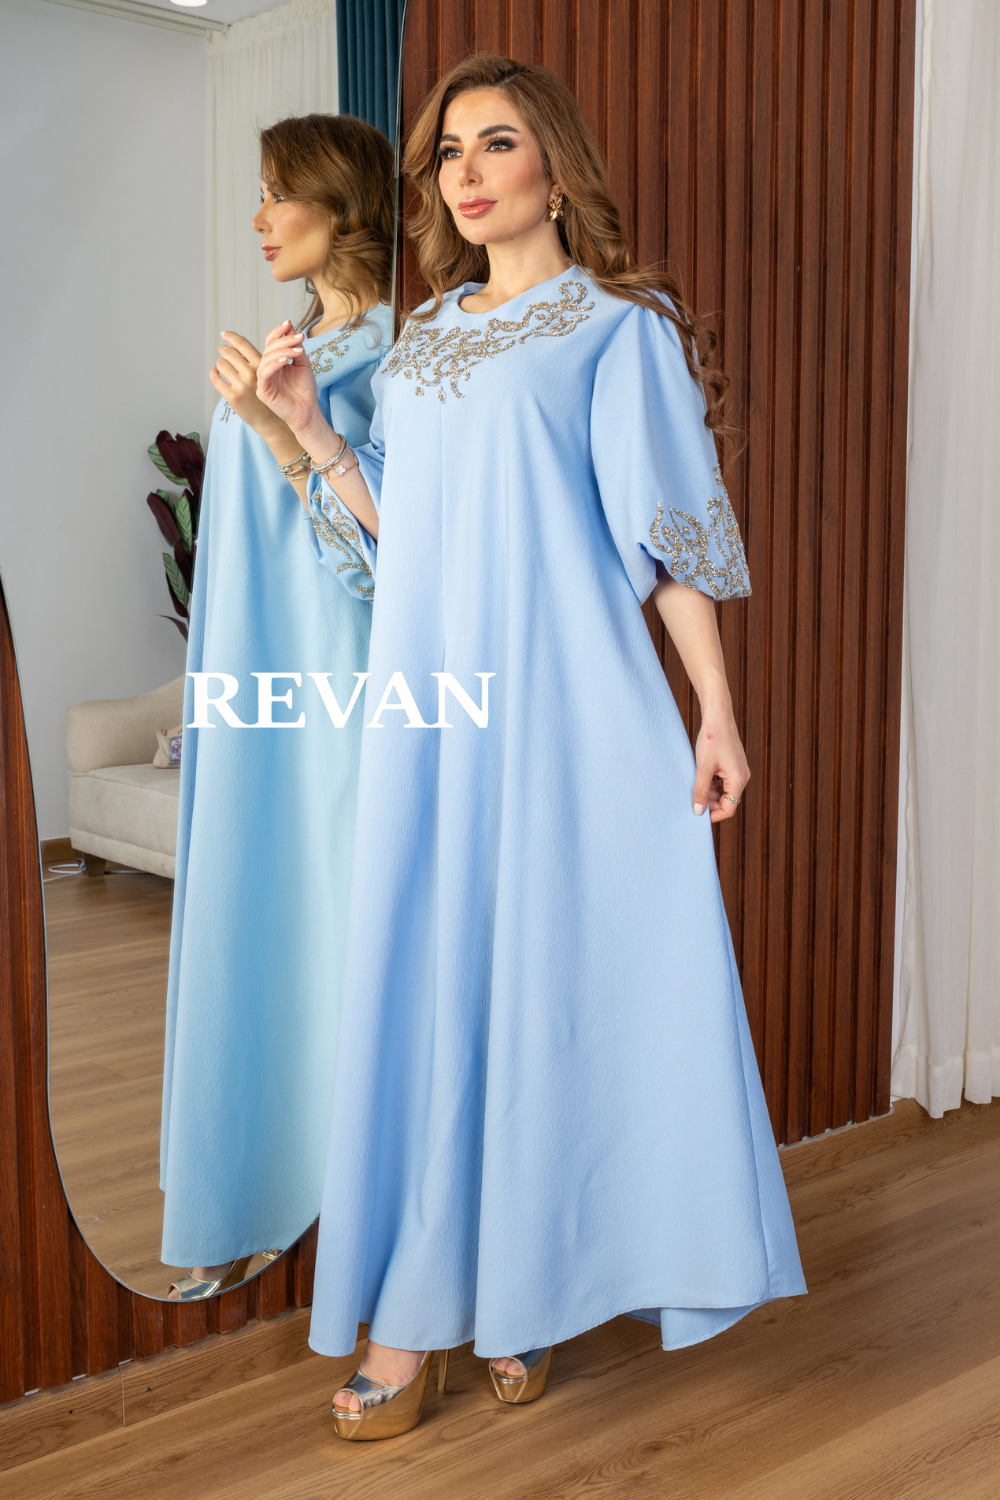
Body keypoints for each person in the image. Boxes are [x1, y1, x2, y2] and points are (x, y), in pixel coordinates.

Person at [257, 54, 806, 1433]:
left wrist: (716, 713)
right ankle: (445, 1304)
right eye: (448, 152)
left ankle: (516, 1296)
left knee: (546, 989)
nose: (467, 173)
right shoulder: (426, 338)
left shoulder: (618, 330)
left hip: (569, 708)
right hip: (434, 714)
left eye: (496, 144)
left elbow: (665, 545)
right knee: (436, 985)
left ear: (555, 166)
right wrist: (314, 431)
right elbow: (408, 539)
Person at [160, 114, 395, 1299]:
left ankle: (327, 1216)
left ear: (341, 203)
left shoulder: (400, 358)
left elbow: (390, 566)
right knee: (244, 916)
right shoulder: (297, 339)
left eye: (276, 193)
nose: (258, 219)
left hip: (337, 684)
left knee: (317, 931)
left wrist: (282, 431)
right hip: (246, 675)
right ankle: (235, 1205)